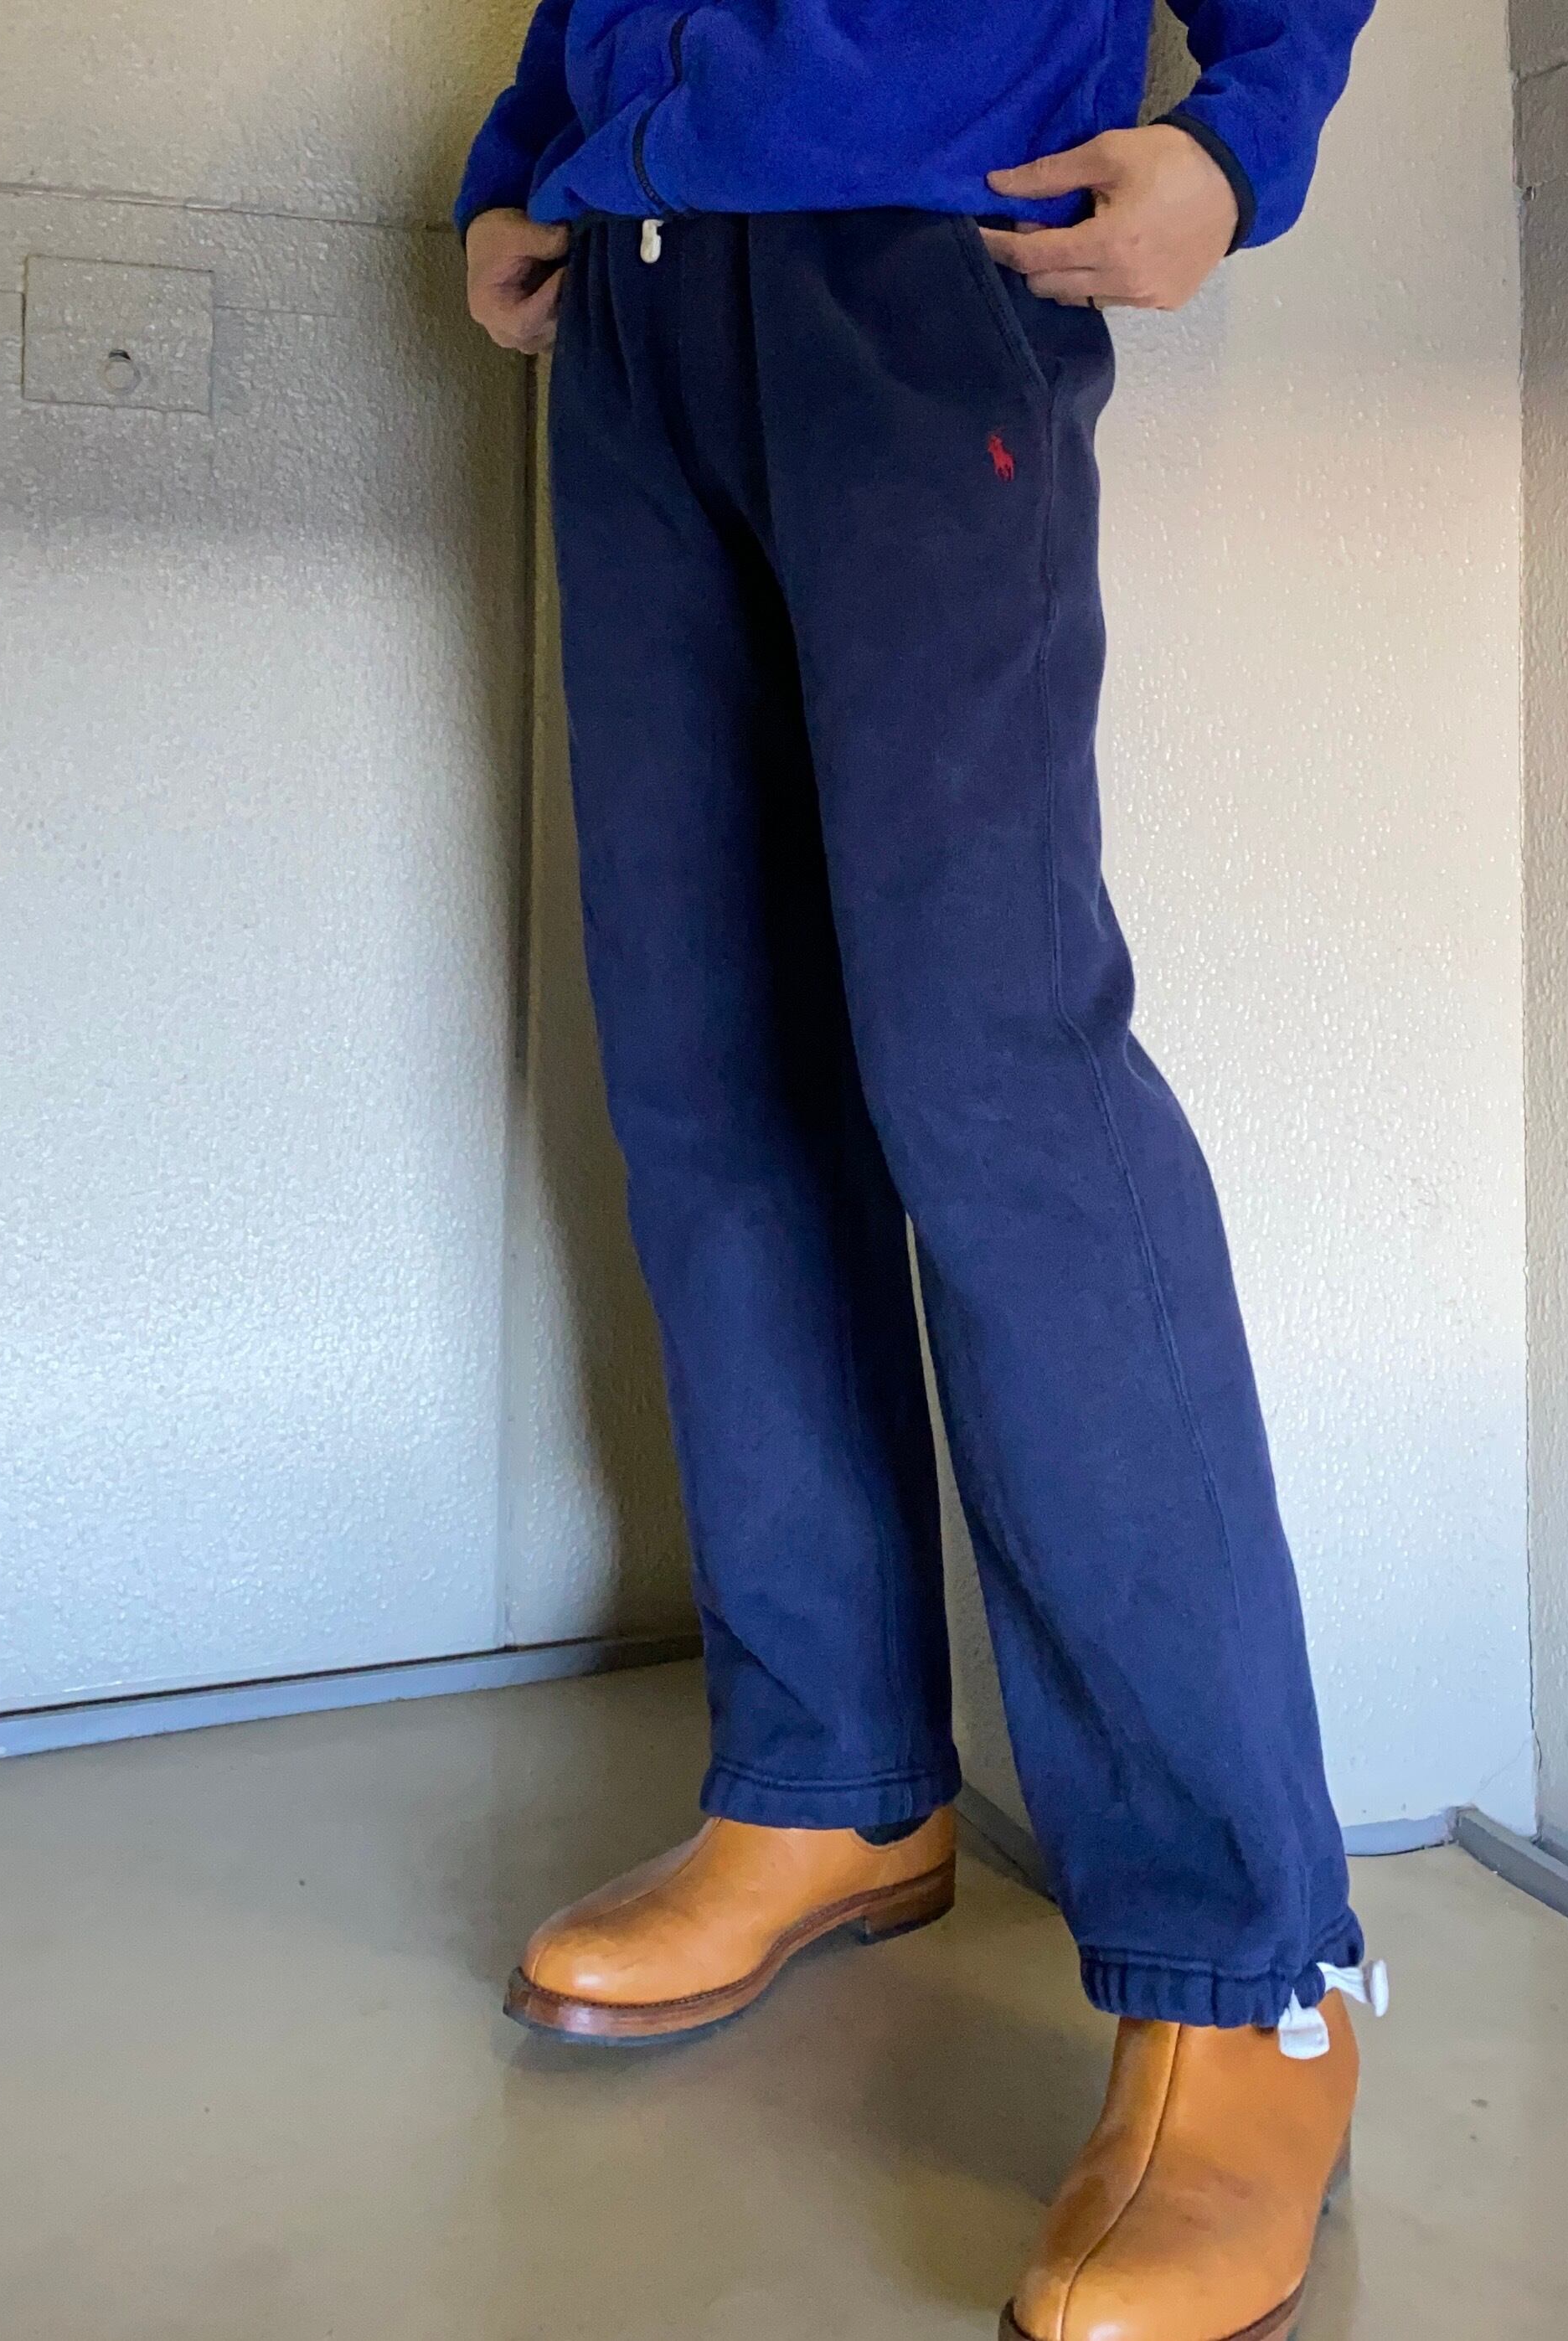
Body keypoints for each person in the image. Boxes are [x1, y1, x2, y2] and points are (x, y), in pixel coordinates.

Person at [460, 8, 1380, 2336]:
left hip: (911, 259)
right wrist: (526, 143)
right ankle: (831, 1783)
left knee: (996, 1079)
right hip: (633, 298)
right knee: (708, 1071)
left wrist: (1239, 135)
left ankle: (1249, 1971)